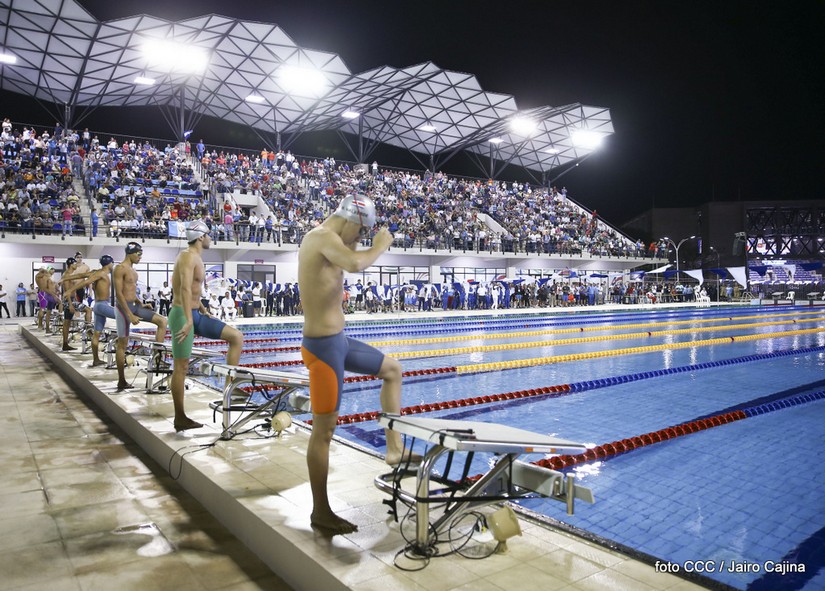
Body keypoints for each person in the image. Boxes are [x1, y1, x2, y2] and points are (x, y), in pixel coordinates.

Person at [297, 194, 417, 535]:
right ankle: (320, 511)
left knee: (393, 370)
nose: (361, 239)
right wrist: (380, 245)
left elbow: (350, 257)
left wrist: (367, 243)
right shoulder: (320, 237)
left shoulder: (332, 240)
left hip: (338, 342)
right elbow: (354, 264)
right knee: (324, 432)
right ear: (354, 221)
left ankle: (395, 449)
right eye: (362, 232)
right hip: (323, 350)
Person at [168, 220, 243, 430]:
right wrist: (189, 319)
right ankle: (180, 418)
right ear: (201, 237)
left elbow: (193, 290)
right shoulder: (187, 256)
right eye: (208, 234)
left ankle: (229, 387)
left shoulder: (196, 257)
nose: (210, 238)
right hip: (182, 315)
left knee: (236, 337)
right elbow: (183, 288)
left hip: (195, 314)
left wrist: (202, 309)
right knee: (181, 367)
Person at [113, 242, 168, 391]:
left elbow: (131, 291)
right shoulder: (119, 269)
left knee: (162, 321)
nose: (140, 257)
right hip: (123, 309)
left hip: (135, 306)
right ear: (130, 253)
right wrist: (130, 314)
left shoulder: (133, 270)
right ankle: (121, 380)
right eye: (138, 254)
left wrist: (141, 303)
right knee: (122, 344)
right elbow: (119, 294)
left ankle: (157, 359)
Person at [90, 255, 116, 367]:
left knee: (96, 334)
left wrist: (66, 278)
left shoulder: (97, 273)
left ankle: (96, 359)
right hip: (102, 305)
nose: (113, 265)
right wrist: (70, 290)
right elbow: (85, 281)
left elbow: (82, 276)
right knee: (125, 316)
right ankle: (120, 345)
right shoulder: (102, 274)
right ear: (109, 263)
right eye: (112, 263)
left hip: (97, 305)